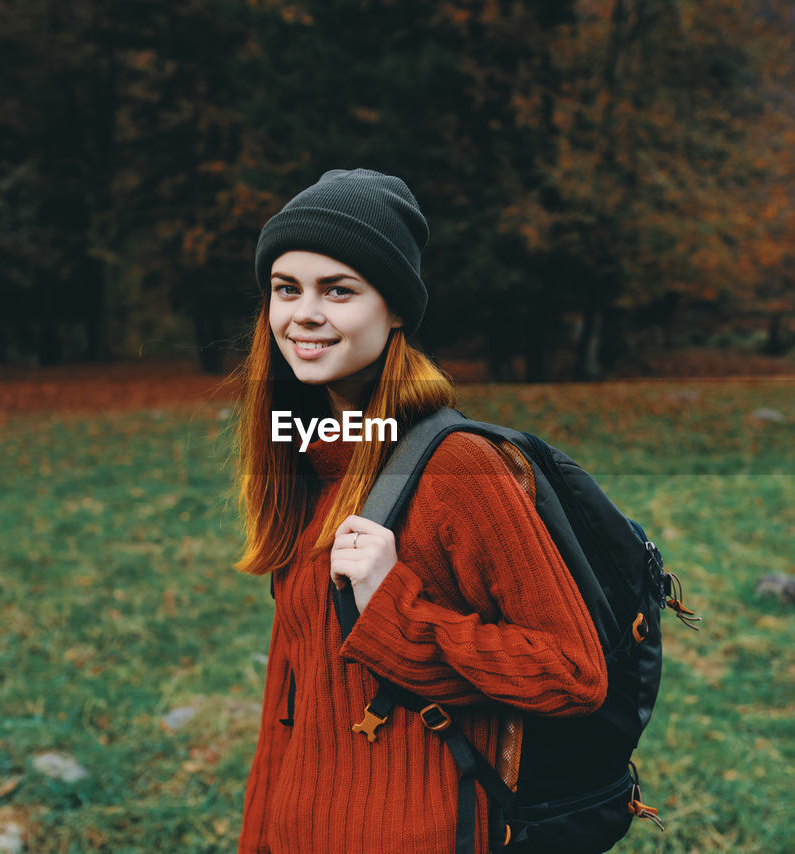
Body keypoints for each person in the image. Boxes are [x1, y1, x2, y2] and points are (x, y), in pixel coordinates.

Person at [234, 168, 607, 854]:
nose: (303, 314)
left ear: (396, 309)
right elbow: (289, 708)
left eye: (338, 291)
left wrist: (396, 612)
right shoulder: (309, 460)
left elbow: (573, 673)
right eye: (286, 289)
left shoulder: (457, 469)